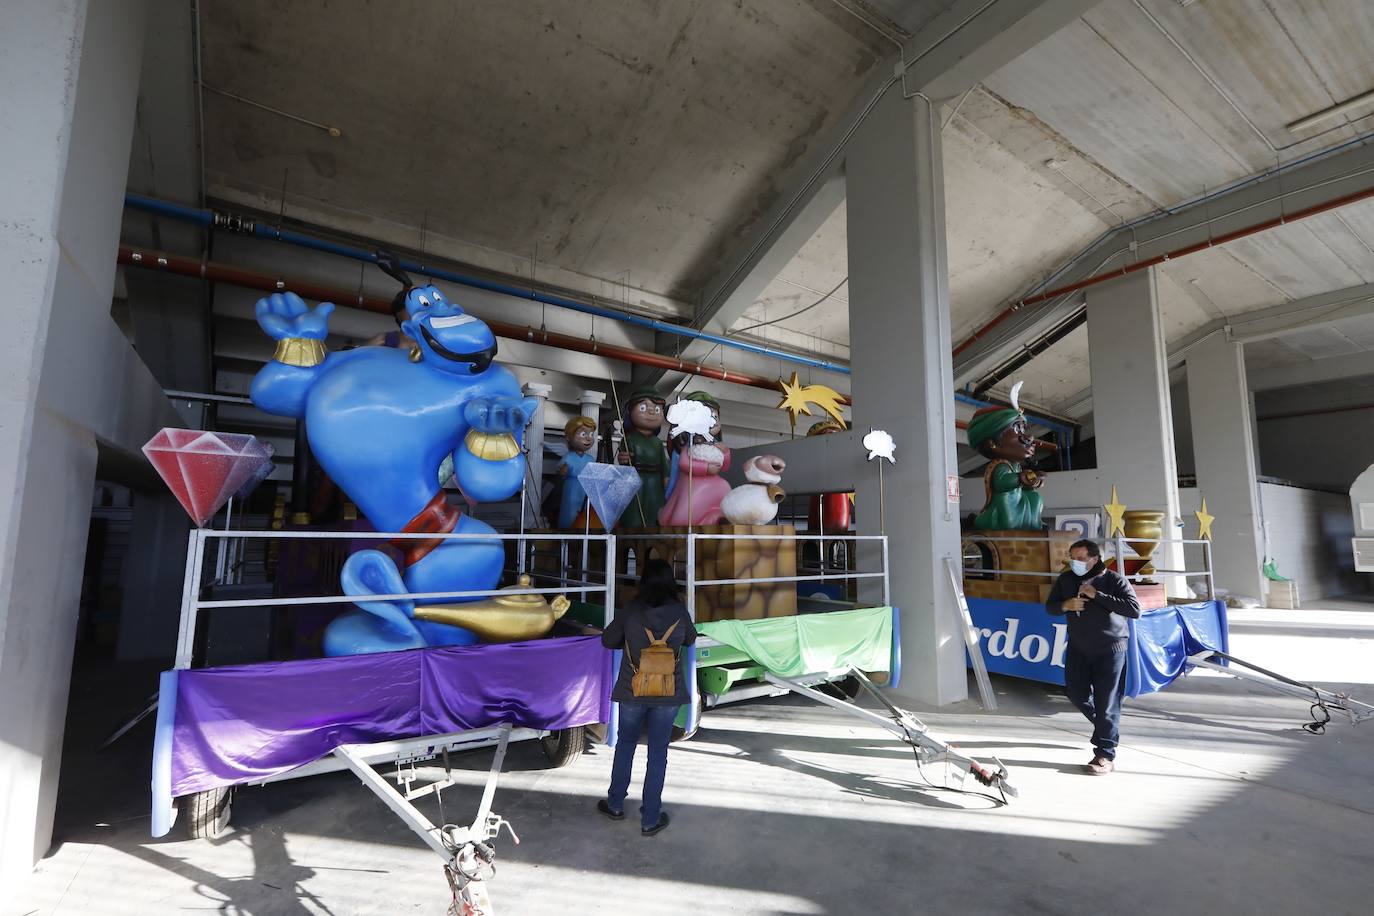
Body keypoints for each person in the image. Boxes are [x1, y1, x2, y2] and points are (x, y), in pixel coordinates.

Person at [599, 559, 697, 835]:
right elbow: (690, 639)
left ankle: (616, 803)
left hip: (633, 690)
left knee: (626, 744)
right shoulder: (680, 612)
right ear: (670, 582)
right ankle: (650, 818)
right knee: (658, 753)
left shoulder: (631, 611)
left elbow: (608, 640)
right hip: (668, 693)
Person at [1046, 538, 1141, 775]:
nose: (1075, 563)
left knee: (1106, 701)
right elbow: (1050, 606)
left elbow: (1134, 610)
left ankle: (1105, 754)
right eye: (1073, 558)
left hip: (1111, 648)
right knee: (1076, 693)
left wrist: (1097, 595)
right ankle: (1106, 727)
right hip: (1079, 646)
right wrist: (1066, 605)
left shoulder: (1113, 580)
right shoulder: (1066, 579)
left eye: (1081, 559)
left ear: (1094, 558)